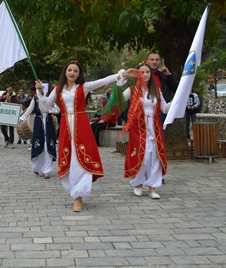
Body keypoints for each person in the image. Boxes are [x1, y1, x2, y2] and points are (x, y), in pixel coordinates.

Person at [37, 61, 128, 212]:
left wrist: (120, 75)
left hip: (81, 125)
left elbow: (103, 81)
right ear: (65, 72)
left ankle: (78, 196)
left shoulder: (83, 87)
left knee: (81, 157)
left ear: (79, 74)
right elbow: (45, 106)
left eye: (75, 71)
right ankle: (75, 192)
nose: (72, 73)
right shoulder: (57, 90)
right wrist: (40, 92)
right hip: (66, 126)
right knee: (69, 157)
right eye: (69, 70)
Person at [121, 62, 171, 199]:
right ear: (137, 74)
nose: (145, 75)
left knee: (155, 157)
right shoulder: (131, 90)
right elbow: (117, 100)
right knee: (143, 156)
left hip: (155, 128)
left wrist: (176, 102)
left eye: (147, 72)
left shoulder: (156, 91)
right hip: (139, 128)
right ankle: (138, 183)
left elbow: (164, 108)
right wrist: (123, 76)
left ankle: (153, 187)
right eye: (141, 72)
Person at [20, 89, 58, 179]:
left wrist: (53, 107)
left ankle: (47, 170)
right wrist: (21, 119)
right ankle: (37, 167)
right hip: (38, 123)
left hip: (48, 123)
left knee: (47, 145)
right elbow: (29, 110)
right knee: (38, 144)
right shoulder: (35, 98)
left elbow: (57, 110)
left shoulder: (50, 98)